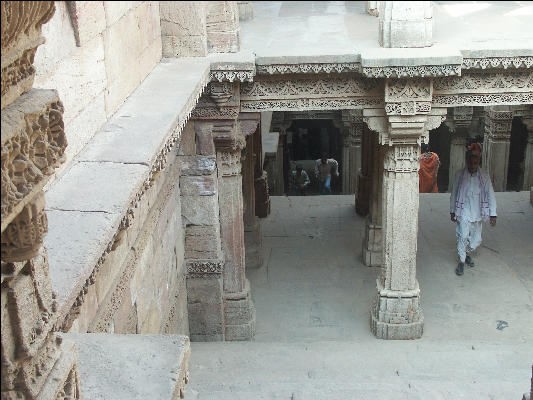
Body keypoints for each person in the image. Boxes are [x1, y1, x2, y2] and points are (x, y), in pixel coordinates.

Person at [449, 142, 497, 276]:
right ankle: (462, 261)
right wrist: (452, 210)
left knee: (476, 240)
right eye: (470, 163)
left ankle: (466, 252)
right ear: (467, 162)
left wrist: (493, 214)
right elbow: (454, 194)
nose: (472, 166)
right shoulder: (460, 175)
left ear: (478, 162)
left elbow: (490, 195)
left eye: (475, 164)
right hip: (463, 211)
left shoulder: (484, 177)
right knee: (463, 235)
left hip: (478, 212)